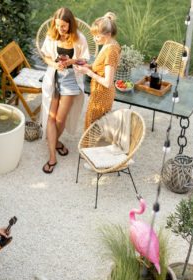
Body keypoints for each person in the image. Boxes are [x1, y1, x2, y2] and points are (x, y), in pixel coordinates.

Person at [39, 8, 89, 174]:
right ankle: (52, 155)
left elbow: (85, 60)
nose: (61, 29)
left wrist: (71, 61)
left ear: (70, 25)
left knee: (60, 119)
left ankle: (54, 141)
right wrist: (55, 64)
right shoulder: (52, 35)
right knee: (51, 117)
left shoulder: (79, 38)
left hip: (71, 80)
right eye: (58, 25)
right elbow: (45, 56)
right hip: (54, 77)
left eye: (64, 26)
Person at [74, 12, 121, 129]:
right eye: (94, 35)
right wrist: (88, 66)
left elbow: (108, 82)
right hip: (98, 92)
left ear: (108, 34)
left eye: (97, 36)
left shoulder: (111, 51)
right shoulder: (108, 45)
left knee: (93, 127)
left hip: (102, 95)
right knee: (95, 126)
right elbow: (102, 68)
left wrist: (88, 72)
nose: (94, 39)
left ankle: (90, 147)